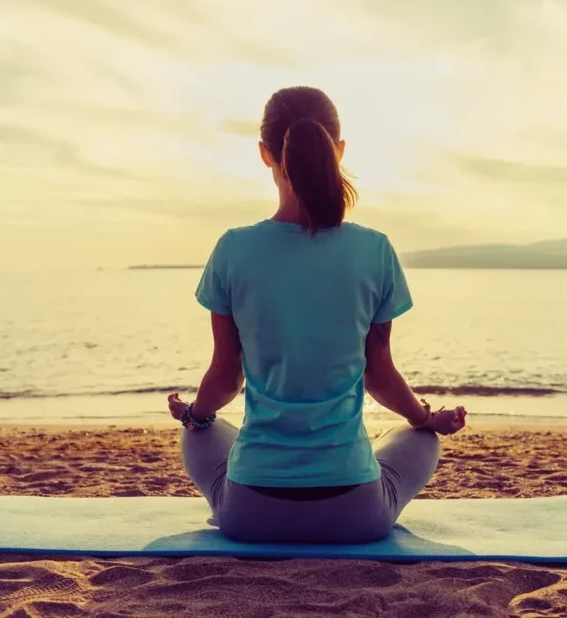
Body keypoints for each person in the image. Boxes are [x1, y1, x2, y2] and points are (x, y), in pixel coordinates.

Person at [167, 86, 467, 544]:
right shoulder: (375, 250)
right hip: (356, 515)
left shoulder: (234, 248)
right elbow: (379, 375)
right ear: (339, 150)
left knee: (198, 433)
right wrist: (425, 418)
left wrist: (193, 413)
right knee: (420, 439)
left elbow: (225, 379)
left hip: (249, 515)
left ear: (266, 154)